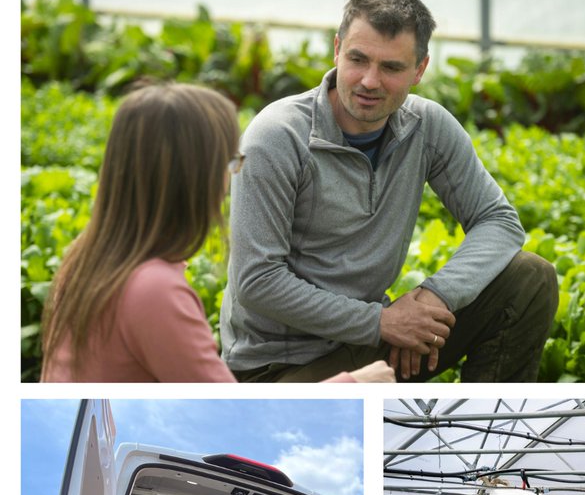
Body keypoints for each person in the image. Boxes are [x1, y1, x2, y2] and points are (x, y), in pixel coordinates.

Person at [221, 0, 558, 382]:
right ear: (337, 49)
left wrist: (432, 299)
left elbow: (498, 221)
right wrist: (382, 322)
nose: (369, 81)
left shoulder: (428, 127)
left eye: (391, 68)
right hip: (282, 366)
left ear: (419, 69)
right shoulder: (276, 137)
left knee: (528, 277)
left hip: (373, 339)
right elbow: (257, 282)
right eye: (358, 59)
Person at [39, 84, 394, 385]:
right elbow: (233, 412)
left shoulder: (85, 256)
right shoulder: (154, 291)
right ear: (194, 178)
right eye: (231, 163)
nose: (232, 178)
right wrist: (356, 384)